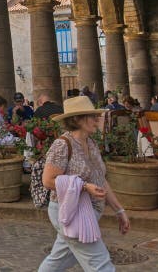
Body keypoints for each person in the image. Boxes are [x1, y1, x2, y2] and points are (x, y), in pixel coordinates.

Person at [39, 96, 129, 271]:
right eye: (91, 115)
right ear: (77, 120)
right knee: (101, 264)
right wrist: (84, 186)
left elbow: (100, 179)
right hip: (71, 212)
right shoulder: (62, 145)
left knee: (58, 260)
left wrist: (119, 210)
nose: (96, 119)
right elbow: (48, 180)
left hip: (88, 210)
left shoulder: (91, 143)